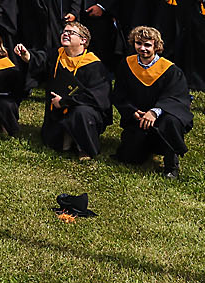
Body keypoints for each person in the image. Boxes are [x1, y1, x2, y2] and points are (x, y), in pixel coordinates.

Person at [16, 21, 110, 160]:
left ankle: (84, 148)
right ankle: (66, 138)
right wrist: (27, 56)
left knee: (81, 112)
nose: (65, 34)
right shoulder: (57, 55)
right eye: (64, 31)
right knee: (56, 143)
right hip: (57, 109)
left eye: (71, 32)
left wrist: (66, 102)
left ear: (83, 40)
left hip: (85, 113)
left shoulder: (94, 65)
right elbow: (40, 61)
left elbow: (98, 97)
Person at [112, 25, 193, 178]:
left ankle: (171, 165)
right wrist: (132, 111)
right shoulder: (127, 65)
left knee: (171, 121)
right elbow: (119, 94)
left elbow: (177, 98)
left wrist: (155, 112)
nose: (142, 48)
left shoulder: (170, 70)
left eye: (147, 45)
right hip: (138, 119)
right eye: (138, 43)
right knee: (130, 158)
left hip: (163, 117)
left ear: (156, 46)